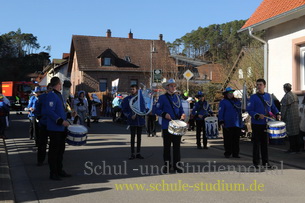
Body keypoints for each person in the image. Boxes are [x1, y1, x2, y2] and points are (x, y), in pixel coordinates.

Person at [247, 79, 281, 169]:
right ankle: (256, 163)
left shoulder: (269, 96)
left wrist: (277, 114)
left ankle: (266, 162)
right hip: (257, 123)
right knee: (256, 143)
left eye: (260, 84)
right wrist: (257, 115)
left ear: (264, 86)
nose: (258, 86)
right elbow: (250, 110)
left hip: (266, 123)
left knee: (265, 144)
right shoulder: (253, 97)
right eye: (257, 84)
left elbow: (273, 107)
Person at [155, 79, 185, 173]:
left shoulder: (178, 98)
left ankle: (177, 165)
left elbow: (181, 110)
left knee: (177, 147)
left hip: (177, 125)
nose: (173, 88)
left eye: (174, 86)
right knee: (167, 147)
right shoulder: (162, 98)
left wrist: (183, 115)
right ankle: (167, 165)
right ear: (167, 87)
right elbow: (156, 109)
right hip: (166, 126)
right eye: (171, 86)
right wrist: (164, 114)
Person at [46, 77, 71, 181]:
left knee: (60, 151)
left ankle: (59, 170)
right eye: (60, 84)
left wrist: (69, 114)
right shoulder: (51, 95)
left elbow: (60, 110)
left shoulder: (59, 95)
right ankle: (53, 173)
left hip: (61, 129)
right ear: (57, 84)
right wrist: (61, 121)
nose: (61, 86)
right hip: (55, 128)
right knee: (54, 152)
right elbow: (50, 111)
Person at [122, 84, 145, 160]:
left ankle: (138, 153)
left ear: (137, 90)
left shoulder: (141, 98)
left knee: (139, 138)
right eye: (131, 89)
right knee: (132, 138)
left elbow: (144, 108)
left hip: (140, 120)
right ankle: (132, 153)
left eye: (133, 89)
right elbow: (124, 110)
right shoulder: (127, 99)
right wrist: (129, 116)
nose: (132, 90)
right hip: (132, 120)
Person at [218, 87, 243, 158]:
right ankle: (228, 152)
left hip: (236, 123)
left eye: (232, 93)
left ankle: (236, 153)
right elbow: (221, 112)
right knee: (228, 139)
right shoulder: (223, 102)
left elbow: (240, 110)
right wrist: (221, 121)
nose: (231, 94)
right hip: (227, 123)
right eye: (229, 93)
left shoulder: (237, 101)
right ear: (226, 94)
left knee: (236, 139)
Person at [33, 84, 52, 166]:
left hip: (53, 124)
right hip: (44, 123)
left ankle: (51, 160)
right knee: (42, 143)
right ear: (47, 89)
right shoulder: (42, 98)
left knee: (52, 144)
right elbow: (37, 110)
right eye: (50, 89)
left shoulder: (57, 97)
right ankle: (40, 160)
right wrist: (39, 117)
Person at [281, 83, 300, 153]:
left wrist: (282, 116)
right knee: (296, 133)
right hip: (296, 116)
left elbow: (284, 108)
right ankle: (297, 148)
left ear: (285, 89)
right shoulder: (294, 95)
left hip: (289, 116)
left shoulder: (286, 97)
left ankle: (292, 148)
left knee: (291, 133)